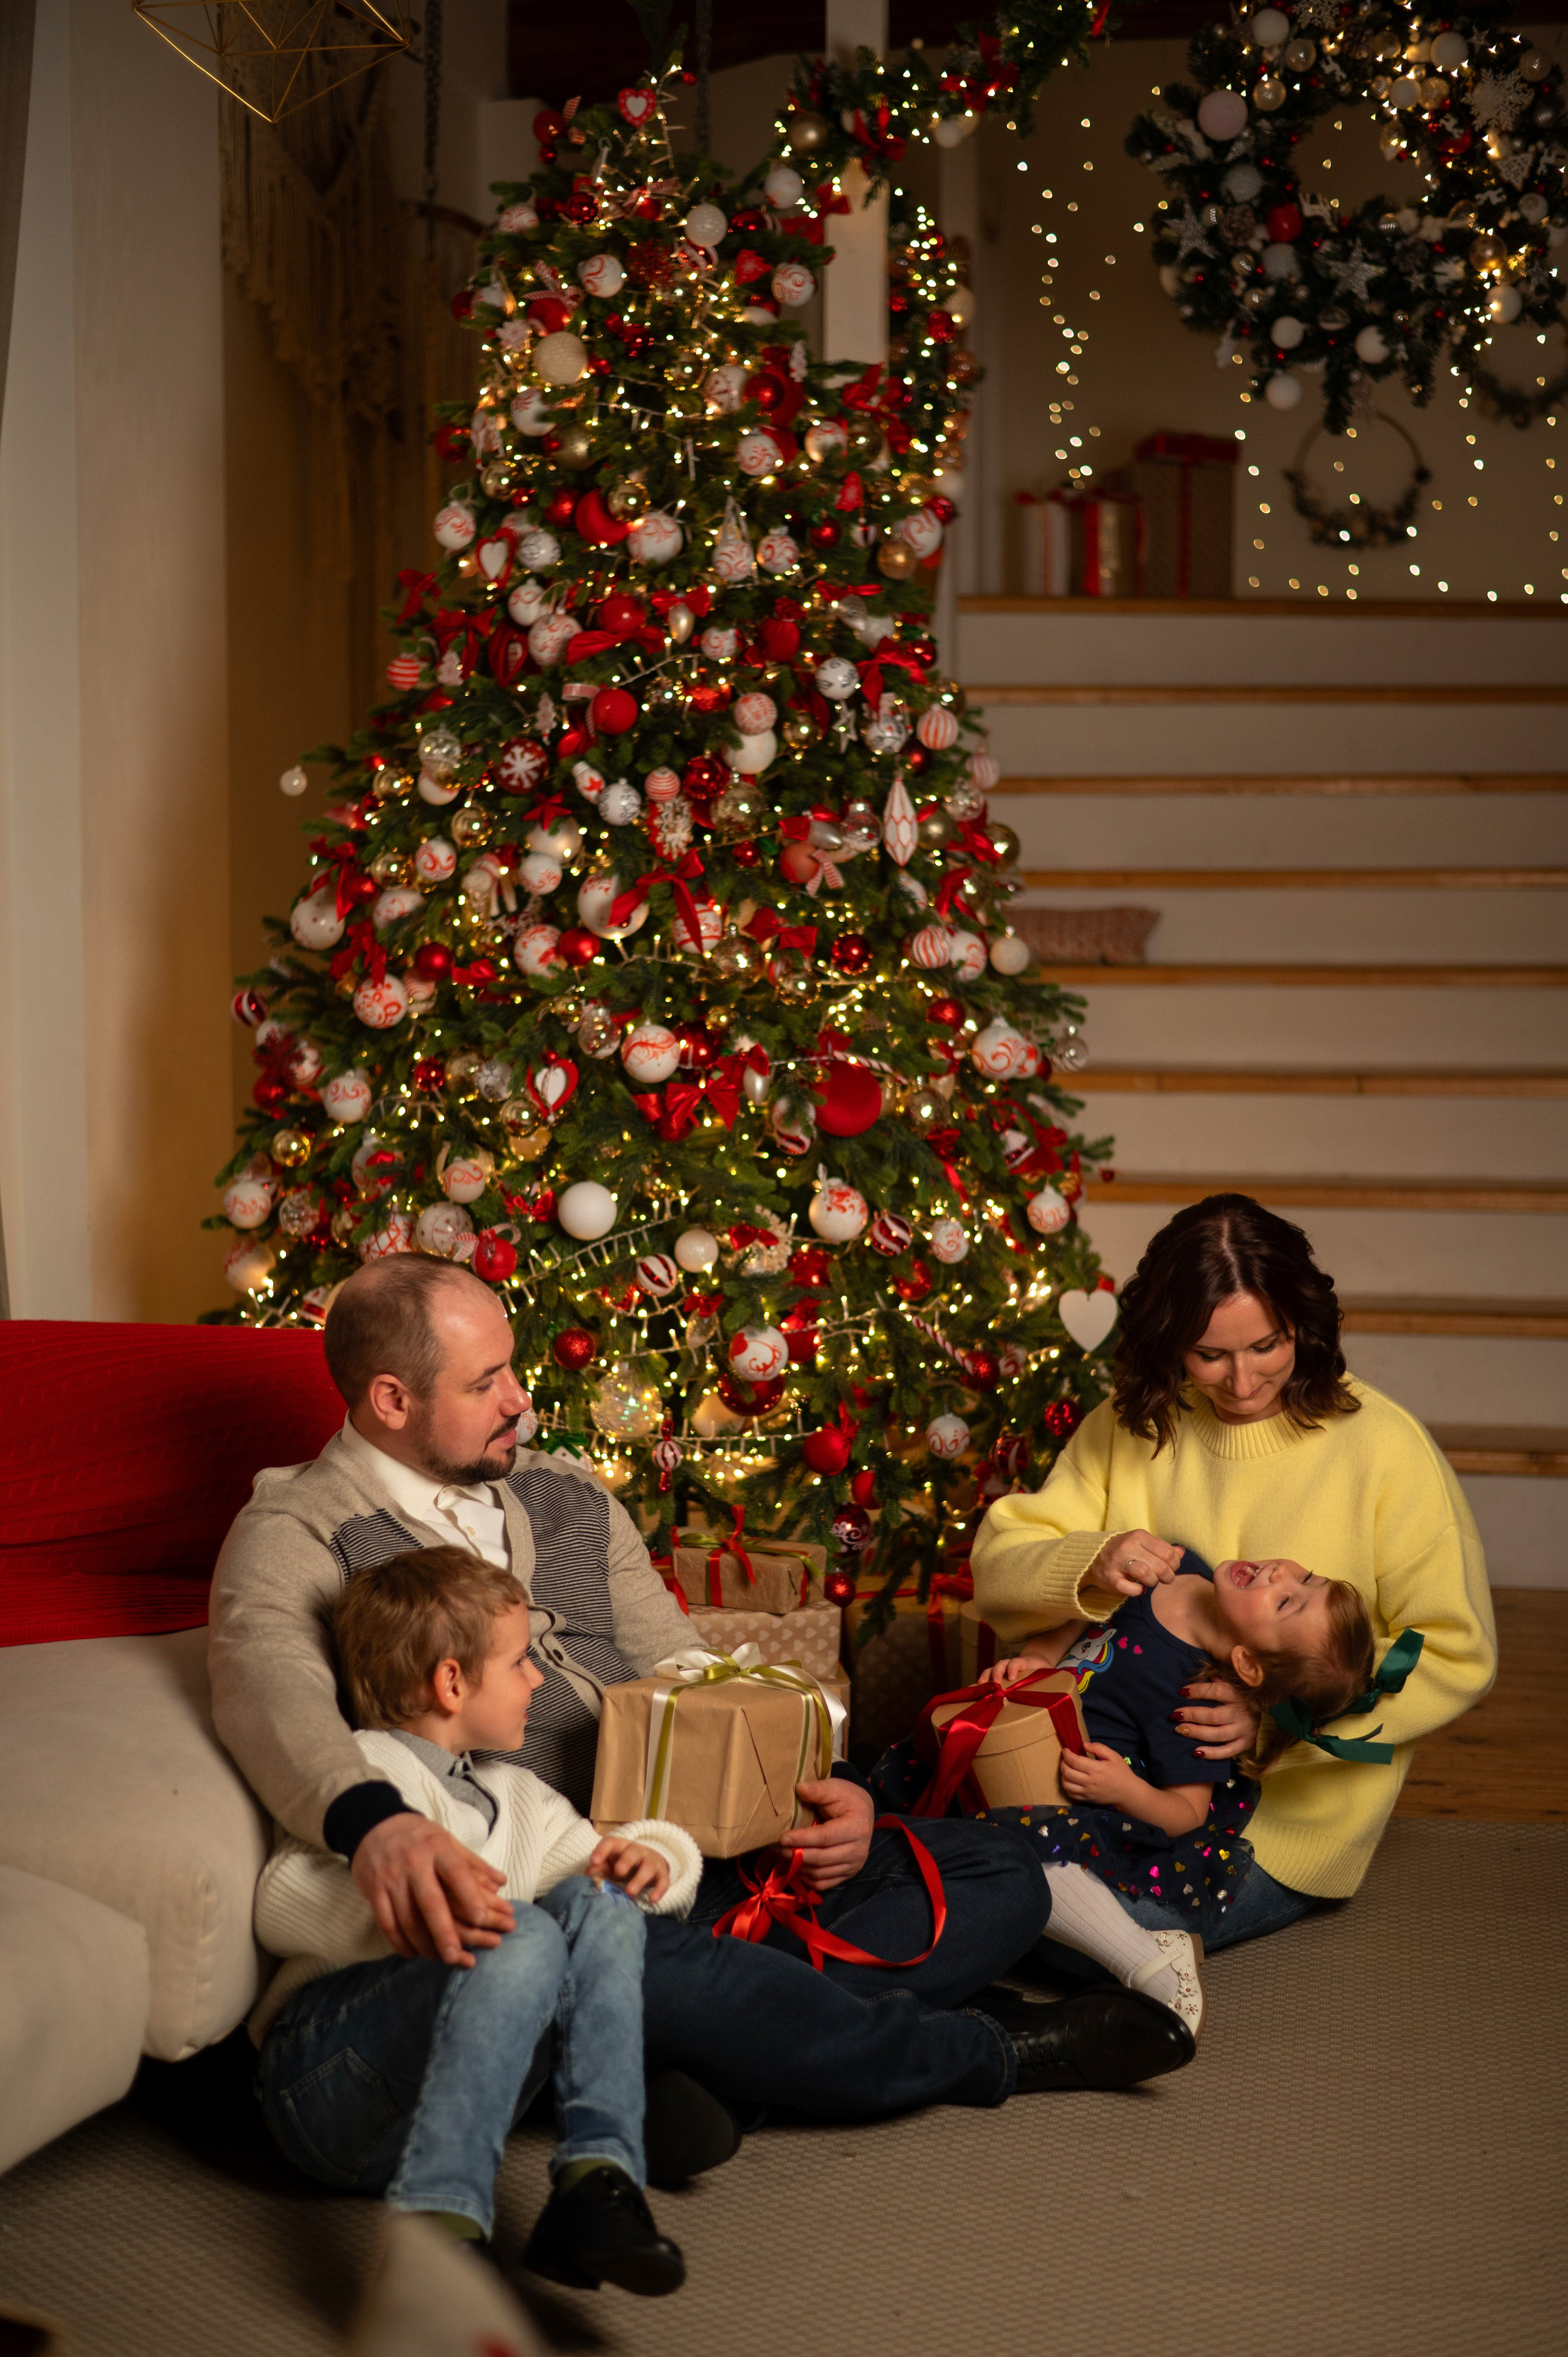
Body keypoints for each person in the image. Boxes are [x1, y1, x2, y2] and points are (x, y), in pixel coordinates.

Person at [209, 1257, 1194, 2156]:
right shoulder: (299, 1528)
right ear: (390, 1399)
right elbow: (272, 1703)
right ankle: (950, 2048)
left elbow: (690, 1666)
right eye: (485, 1386)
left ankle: (709, 2056)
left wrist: (827, 1791)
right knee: (614, 1948)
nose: (522, 1401)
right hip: (551, 1882)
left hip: (687, 1861)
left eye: (514, 1368)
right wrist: (374, 1827)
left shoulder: (568, 1494)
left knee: (1002, 1868)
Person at [973, 1194, 1497, 1950]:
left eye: (1267, 1346)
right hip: (1104, 1788)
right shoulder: (1129, 1424)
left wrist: (1279, 1725)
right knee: (984, 1880)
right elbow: (999, 1566)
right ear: (1167, 1342)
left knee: (1064, 1923)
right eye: (1209, 1355)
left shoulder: (1384, 1448)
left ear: (1302, 1325)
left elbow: (1454, 1652)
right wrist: (1090, 1560)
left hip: (1278, 1830)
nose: (1243, 1382)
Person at [253, 1546, 698, 2296]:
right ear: (451, 1680)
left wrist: (652, 1859)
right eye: (522, 1661)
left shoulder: (519, 1793)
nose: (540, 1678)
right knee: (518, 1930)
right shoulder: (365, 1770)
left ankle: (596, 2180)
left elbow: (595, 1862)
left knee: (599, 1900)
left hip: (456, 2096)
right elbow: (281, 1895)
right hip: (330, 2079)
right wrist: (429, 1911)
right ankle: (437, 2228)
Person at [877, 1552, 1376, 1971]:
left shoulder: (1198, 1701)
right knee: (921, 1776)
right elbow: (1084, 1610)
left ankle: (1141, 1961)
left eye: (1287, 1600)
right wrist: (1040, 1655)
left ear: (1247, 1664)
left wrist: (1122, 1790)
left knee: (1027, 1855)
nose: (1280, 1574)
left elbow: (1188, 1811)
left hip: (1078, 1800)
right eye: (1307, 1576)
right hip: (1026, 1731)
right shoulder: (1175, 1564)